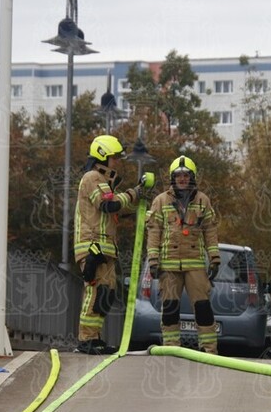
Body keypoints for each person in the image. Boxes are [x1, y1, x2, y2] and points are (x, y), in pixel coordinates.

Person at [73, 134, 150, 354]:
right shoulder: (92, 177)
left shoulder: (103, 182)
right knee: (95, 293)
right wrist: (133, 193)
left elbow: (117, 208)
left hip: (104, 247)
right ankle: (86, 339)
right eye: (115, 157)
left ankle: (95, 338)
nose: (118, 161)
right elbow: (108, 204)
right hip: (92, 246)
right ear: (103, 156)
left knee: (105, 295)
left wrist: (138, 200)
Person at [146, 155, 220, 354]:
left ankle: (209, 350)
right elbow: (154, 232)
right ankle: (171, 349)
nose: (182, 179)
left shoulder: (203, 200)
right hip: (168, 265)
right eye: (178, 175)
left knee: (203, 307)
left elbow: (210, 230)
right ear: (172, 177)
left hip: (195, 263)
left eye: (186, 175)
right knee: (170, 308)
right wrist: (153, 261)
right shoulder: (161, 201)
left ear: (192, 177)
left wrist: (214, 259)